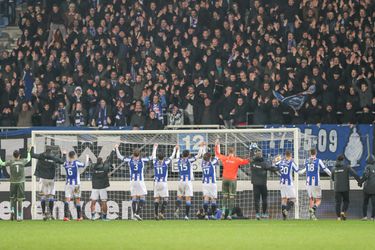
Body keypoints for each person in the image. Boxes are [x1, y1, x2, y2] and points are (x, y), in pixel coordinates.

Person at [215, 139, 250, 220]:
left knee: (224, 196)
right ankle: (230, 215)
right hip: (232, 180)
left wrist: (216, 145)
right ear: (233, 152)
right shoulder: (237, 159)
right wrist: (250, 156)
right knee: (232, 197)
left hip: (225, 179)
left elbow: (217, 154)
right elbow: (246, 161)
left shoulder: (224, 158)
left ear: (228, 152)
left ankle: (223, 211)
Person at [115, 144, 150, 221]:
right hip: (140, 181)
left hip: (132, 181)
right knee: (142, 197)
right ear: (139, 154)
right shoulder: (142, 160)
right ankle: (137, 213)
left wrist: (116, 148)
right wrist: (154, 148)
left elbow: (119, 156)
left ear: (133, 153)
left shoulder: (129, 160)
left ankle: (134, 215)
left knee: (134, 197)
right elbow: (152, 157)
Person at [30, 146, 64, 220]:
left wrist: (32, 147)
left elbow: (32, 155)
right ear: (51, 152)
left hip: (42, 179)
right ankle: (51, 214)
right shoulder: (53, 158)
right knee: (51, 196)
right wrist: (63, 155)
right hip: (51, 179)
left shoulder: (41, 156)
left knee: (43, 197)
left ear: (45, 151)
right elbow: (62, 162)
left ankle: (43, 214)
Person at [299, 149, 332, 220]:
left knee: (311, 198)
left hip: (308, 183)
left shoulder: (306, 161)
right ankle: (313, 209)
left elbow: (303, 170)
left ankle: (312, 216)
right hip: (316, 182)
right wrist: (332, 175)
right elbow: (325, 169)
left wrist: (298, 171)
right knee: (318, 199)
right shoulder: (318, 160)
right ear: (316, 153)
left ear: (310, 153)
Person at [248, 143, 277, 220]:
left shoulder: (252, 163)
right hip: (263, 184)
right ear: (261, 156)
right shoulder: (264, 164)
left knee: (256, 199)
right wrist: (279, 167)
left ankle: (257, 214)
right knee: (264, 199)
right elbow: (272, 168)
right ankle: (264, 214)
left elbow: (250, 158)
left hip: (255, 184)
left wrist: (251, 150)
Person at [0, 148, 31, 221]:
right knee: (20, 200)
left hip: (13, 183)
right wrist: (29, 152)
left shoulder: (11, 162)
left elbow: (1, 163)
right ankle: (19, 216)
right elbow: (29, 159)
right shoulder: (22, 161)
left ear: (13, 156)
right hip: (20, 183)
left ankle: (12, 212)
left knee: (12, 199)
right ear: (19, 156)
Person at [174, 145, 201, 220]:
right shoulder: (189, 160)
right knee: (188, 199)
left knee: (179, 197)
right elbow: (198, 155)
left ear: (182, 155)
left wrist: (177, 150)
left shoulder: (179, 160)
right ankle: (186, 215)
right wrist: (201, 147)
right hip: (187, 181)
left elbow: (176, 156)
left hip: (180, 181)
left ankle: (177, 209)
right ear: (188, 155)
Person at [151, 144, 177, 220]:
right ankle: (161, 212)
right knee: (165, 199)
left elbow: (153, 156)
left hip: (156, 183)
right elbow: (172, 157)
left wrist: (155, 147)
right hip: (163, 183)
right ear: (163, 157)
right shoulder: (165, 162)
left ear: (158, 157)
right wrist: (175, 149)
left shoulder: (155, 162)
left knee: (157, 198)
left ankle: (155, 214)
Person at [331, 155, 360, 220]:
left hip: (337, 189)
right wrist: (359, 181)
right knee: (346, 201)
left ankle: (338, 217)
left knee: (338, 203)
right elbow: (354, 174)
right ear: (343, 160)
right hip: (345, 188)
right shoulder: (346, 167)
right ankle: (343, 212)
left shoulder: (333, 168)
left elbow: (332, 178)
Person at [62, 151, 89, 221]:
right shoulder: (76, 163)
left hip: (68, 184)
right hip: (76, 185)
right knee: (77, 199)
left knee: (67, 199)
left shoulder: (65, 163)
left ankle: (66, 217)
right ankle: (79, 217)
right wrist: (87, 158)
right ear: (74, 156)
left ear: (69, 156)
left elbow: (64, 161)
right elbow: (85, 165)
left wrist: (64, 154)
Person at [89, 151, 115, 221]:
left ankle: (93, 216)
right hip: (102, 187)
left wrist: (88, 158)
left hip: (95, 187)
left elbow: (90, 164)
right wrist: (113, 151)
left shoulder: (93, 167)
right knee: (104, 202)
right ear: (102, 161)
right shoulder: (105, 167)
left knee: (93, 202)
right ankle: (104, 217)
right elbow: (110, 160)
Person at [274, 151, 299, 220]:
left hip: (282, 183)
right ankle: (286, 210)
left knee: (284, 199)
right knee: (293, 199)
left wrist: (276, 160)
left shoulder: (281, 162)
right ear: (290, 156)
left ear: (285, 156)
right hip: (289, 184)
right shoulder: (291, 162)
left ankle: (284, 217)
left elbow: (273, 166)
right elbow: (297, 170)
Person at [200, 143, 219, 220]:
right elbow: (217, 156)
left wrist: (203, 147)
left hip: (205, 184)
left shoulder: (202, 163)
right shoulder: (212, 163)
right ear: (210, 158)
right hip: (212, 183)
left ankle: (206, 215)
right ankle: (213, 215)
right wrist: (217, 145)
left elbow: (203, 156)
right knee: (213, 199)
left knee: (206, 199)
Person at [359, 155, 375, 221]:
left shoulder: (367, 167)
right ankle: (372, 218)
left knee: (365, 203)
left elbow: (365, 176)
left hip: (367, 188)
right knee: (374, 204)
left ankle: (365, 217)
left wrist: (360, 182)